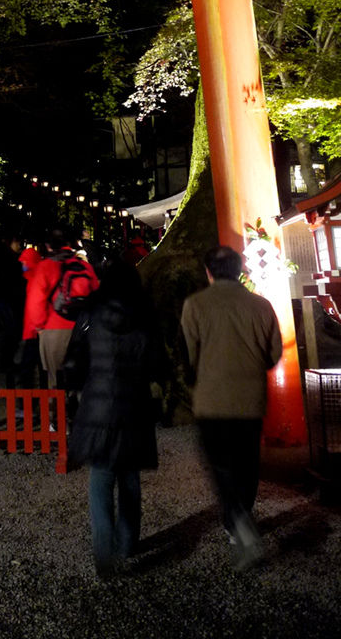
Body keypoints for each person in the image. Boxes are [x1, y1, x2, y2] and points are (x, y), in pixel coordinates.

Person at [180, 244, 283, 571]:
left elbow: (189, 357)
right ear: (241, 271)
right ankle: (240, 521)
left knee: (220, 466)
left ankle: (236, 523)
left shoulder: (195, 305)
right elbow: (273, 354)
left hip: (211, 400)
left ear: (208, 272)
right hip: (250, 398)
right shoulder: (261, 305)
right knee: (247, 463)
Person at [68, 257, 161, 579]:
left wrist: (79, 388)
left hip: (98, 404)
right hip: (134, 404)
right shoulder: (146, 314)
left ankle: (103, 547)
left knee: (101, 477)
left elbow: (75, 360)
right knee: (130, 477)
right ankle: (127, 543)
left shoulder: (91, 313)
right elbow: (157, 362)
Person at [21, 228, 99, 388]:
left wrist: (39, 326)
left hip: (54, 328)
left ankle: (56, 410)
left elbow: (35, 301)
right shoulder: (84, 266)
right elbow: (97, 294)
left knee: (55, 378)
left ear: (48, 246)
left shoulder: (45, 267)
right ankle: (78, 409)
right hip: (83, 329)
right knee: (82, 376)